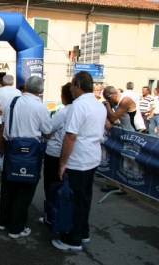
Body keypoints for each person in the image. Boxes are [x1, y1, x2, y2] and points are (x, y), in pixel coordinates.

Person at [52, 71, 106, 252]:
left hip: (78, 160)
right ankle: (83, 232)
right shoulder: (99, 105)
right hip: (92, 158)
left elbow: (70, 136)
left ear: (79, 86)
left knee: (73, 200)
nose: (72, 89)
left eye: (73, 85)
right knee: (84, 198)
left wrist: (62, 163)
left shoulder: (78, 106)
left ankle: (72, 240)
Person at [0, 76, 52, 239]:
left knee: (8, 187)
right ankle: (16, 228)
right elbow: (48, 133)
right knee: (25, 190)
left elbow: (3, 126)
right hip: (31, 154)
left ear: (25, 86)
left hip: (11, 148)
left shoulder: (13, 103)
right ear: (41, 91)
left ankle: (2, 221)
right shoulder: (40, 107)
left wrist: (0, 147)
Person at [42, 82, 73, 203]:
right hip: (71, 153)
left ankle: (51, 213)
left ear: (64, 97)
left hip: (55, 153)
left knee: (51, 184)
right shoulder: (79, 111)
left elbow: (48, 131)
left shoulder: (62, 113)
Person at [0, 75, 21, 175]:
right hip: (12, 122)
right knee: (10, 144)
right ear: (13, 82)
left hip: (1, 121)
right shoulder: (18, 92)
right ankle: (8, 167)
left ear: (3, 81)